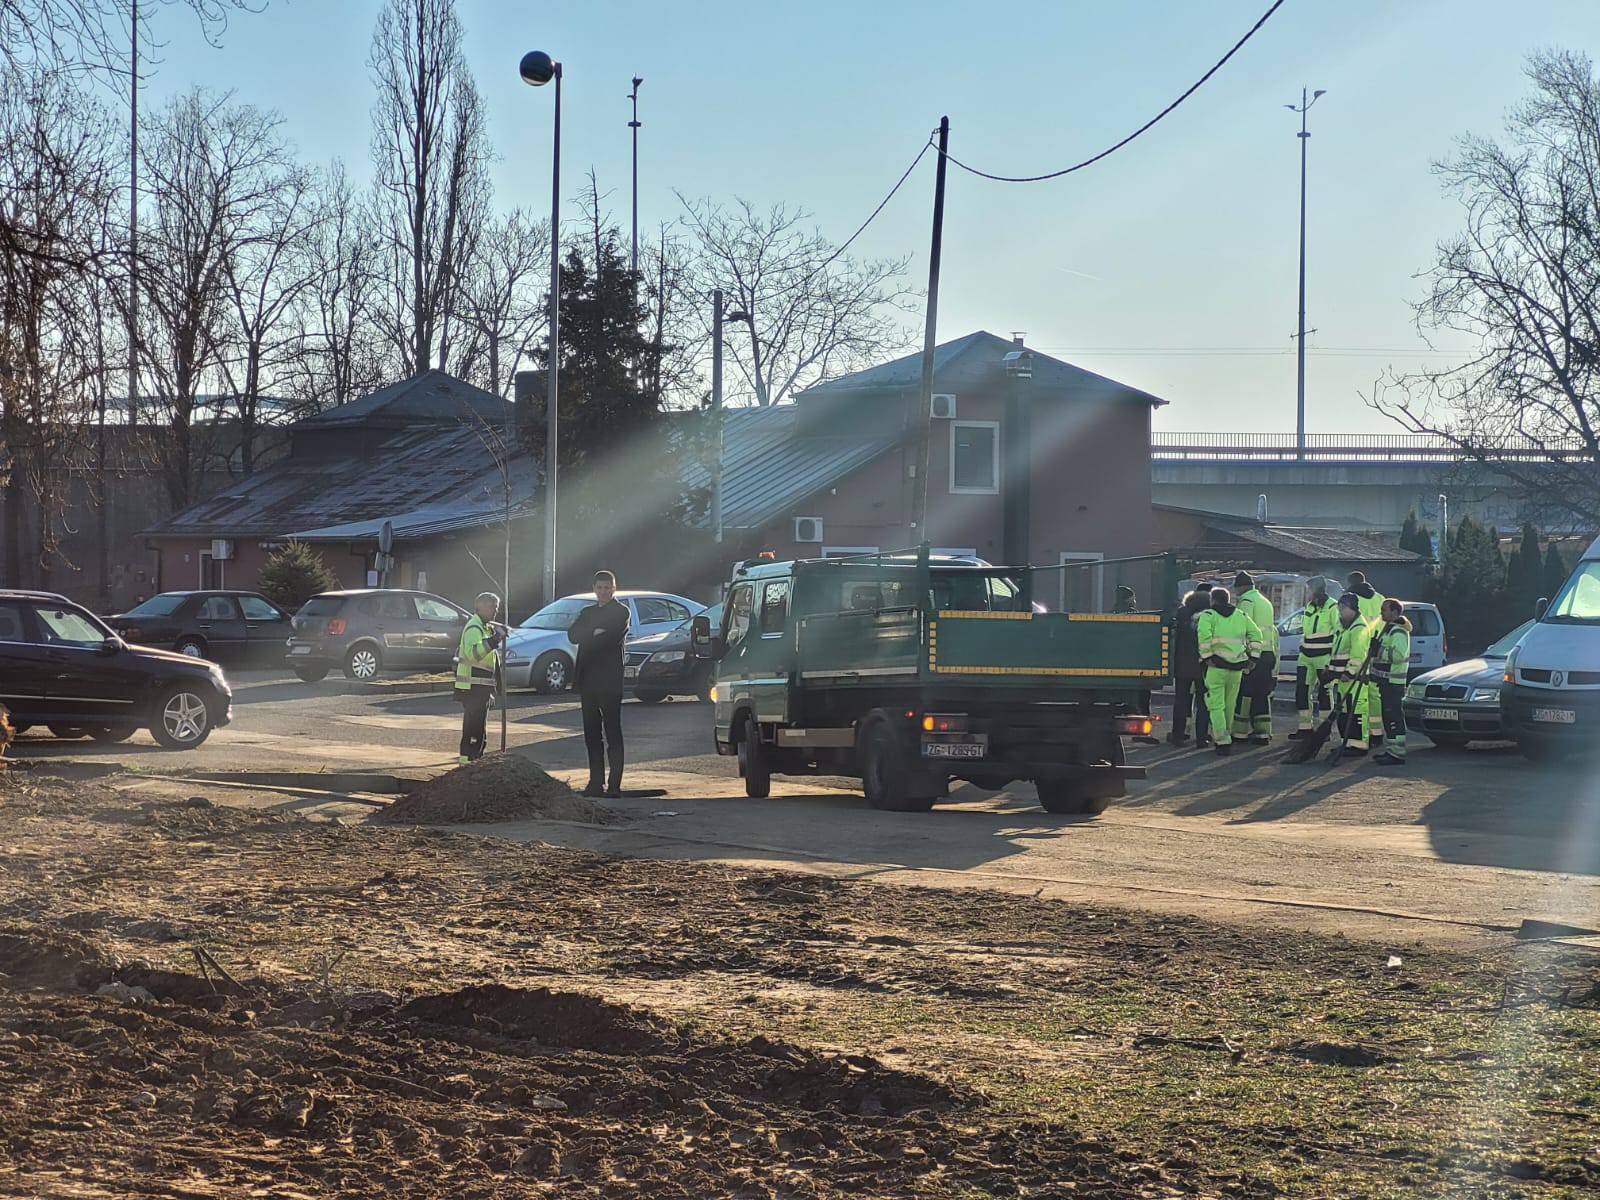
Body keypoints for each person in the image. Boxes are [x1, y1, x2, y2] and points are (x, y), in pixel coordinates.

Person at [570, 570, 630, 797]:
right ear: (594, 588)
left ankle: (615, 785)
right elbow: (573, 635)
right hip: (588, 681)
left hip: (610, 681)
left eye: (608, 587)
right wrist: (593, 633)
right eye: (600, 587)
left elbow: (613, 636)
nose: (603, 591)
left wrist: (593, 635)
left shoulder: (621, 611)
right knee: (591, 734)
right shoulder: (587, 612)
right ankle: (595, 783)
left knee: (613, 732)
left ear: (614, 588)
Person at [1195, 586, 1264, 757]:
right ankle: (1227, 736)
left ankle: (1222, 740)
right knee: (1230, 705)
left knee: (1215, 705)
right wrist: (1253, 658)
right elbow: (1257, 635)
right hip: (1237, 668)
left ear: (1213, 600)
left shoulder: (1208, 616)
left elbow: (1203, 636)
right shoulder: (1241, 616)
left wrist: (1206, 656)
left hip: (1216, 666)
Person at [454, 591, 503, 765]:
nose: (495, 611)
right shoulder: (474, 628)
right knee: (473, 729)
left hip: (481, 688)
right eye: (491, 607)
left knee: (478, 729)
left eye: (496, 607)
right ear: (479, 607)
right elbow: (473, 654)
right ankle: (467, 763)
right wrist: (494, 640)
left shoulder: (484, 627)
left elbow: (491, 661)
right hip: (473, 687)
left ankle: (473, 762)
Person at [1325, 592, 1375, 756]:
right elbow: (1338, 652)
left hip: (1355, 681)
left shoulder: (1358, 628)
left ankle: (1358, 746)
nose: (1339, 613)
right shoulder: (1346, 627)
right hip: (1343, 680)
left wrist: (1349, 672)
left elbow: (1358, 655)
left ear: (1350, 608)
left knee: (1356, 713)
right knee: (1345, 714)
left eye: (1341, 609)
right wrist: (1330, 670)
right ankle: (1347, 743)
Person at [1232, 571, 1278, 745]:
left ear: (1242, 587)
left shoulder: (1247, 602)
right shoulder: (1265, 601)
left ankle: (1240, 732)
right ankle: (1263, 732)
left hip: (1253, 655)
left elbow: (1242, 629)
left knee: (1245, 694)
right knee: (1262, 694)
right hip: (1267, 653)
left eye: (1236, 588)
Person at [1290, 579, 1339, 739]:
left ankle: (1324, 731)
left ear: (1316, 590)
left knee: (1324, 693)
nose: (1307, 593)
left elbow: (1338, 634)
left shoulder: (1333, 607)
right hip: (1305, 656)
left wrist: (1333, 660)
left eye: (1309, 589)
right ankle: (1305, 728)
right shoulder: (1309, 607)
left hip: (1323, 657)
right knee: (1302, 692)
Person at [1346, 570, 1388, 748]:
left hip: (1361, 648)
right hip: (1380, 648)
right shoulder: (1380, 598)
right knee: (1375, 694)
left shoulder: (1353, 600)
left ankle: (1359, 736)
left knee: (1359, 697)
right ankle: (1376, 733)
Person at [1369, 598, 1411, 766]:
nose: (1381, 613)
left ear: (1394, 612)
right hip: (1386, 682)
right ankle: (1391, 750)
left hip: (1394, 683)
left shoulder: (1398, 632)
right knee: (1388, 717)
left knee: (1394, 717)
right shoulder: (1388, 630)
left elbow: (1399, 656)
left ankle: (1398, 753)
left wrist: (1379, 650)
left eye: (1384, 610)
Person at [1168, 588, 1211, 747]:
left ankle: (1178, 735)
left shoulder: (1181, 614)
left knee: (1181, 701)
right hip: (1204, 665)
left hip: (1182, 665)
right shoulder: (1210, 616)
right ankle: (1202, 738)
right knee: (1204, 703)